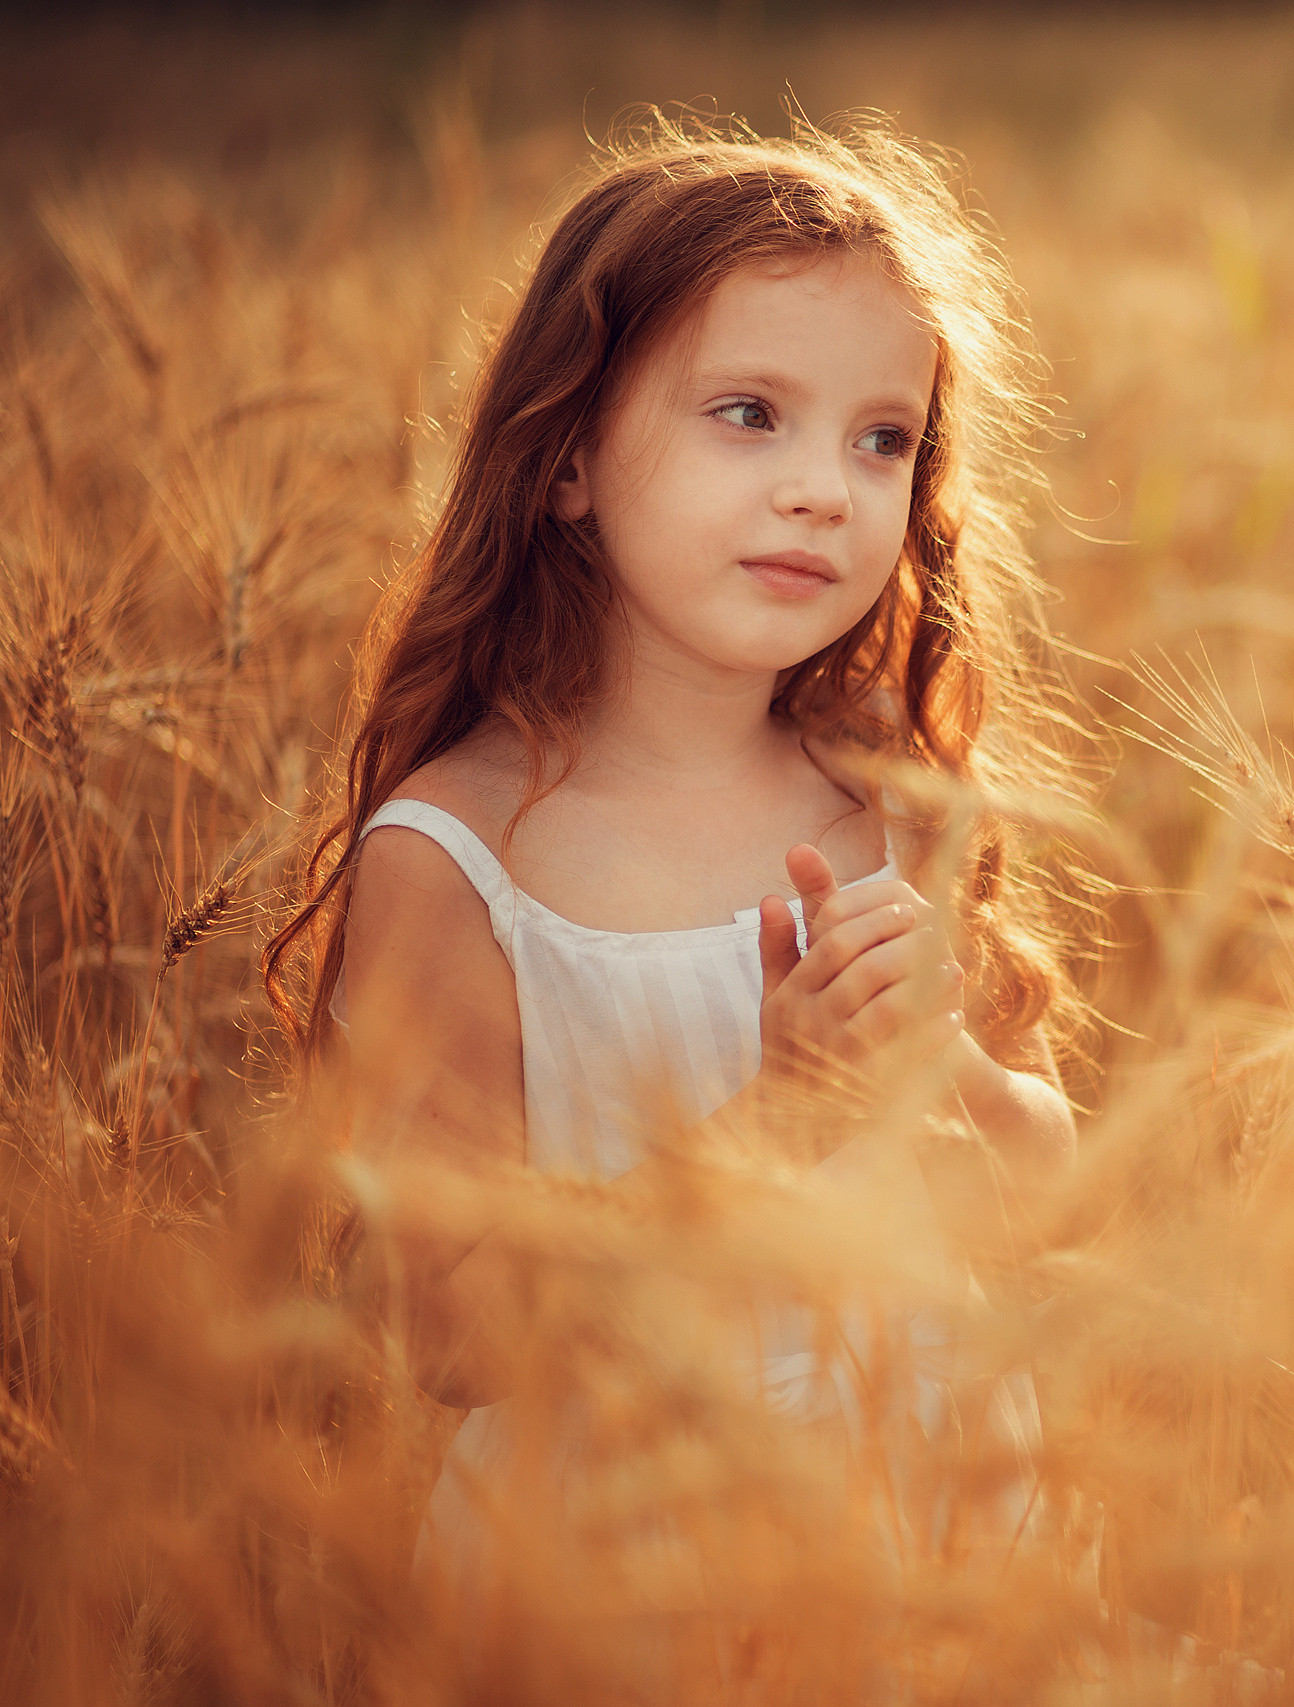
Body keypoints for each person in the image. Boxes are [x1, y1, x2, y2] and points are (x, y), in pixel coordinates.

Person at [262, 111, 1081, 1686]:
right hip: (625, 1578)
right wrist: (771, 1127)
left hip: (921, 1551)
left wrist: (943, 1074)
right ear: (566, 456)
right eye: (748, 414)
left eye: (881, 440)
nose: (823, 492)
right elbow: (458, 1332)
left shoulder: (891, 805)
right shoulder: (458, 859)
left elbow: (1033, 1184)